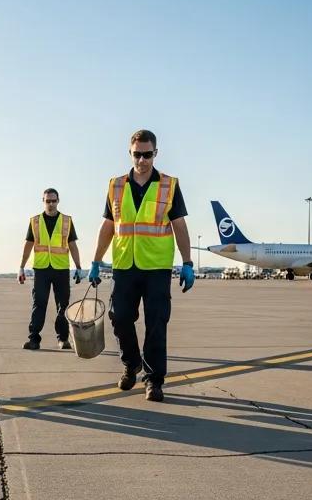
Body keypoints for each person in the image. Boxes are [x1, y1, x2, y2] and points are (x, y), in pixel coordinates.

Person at [88, 129, 193, 402]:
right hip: (124, 264)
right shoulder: (116, 185)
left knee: (156, 324)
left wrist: (188, 262)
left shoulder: (169, 185)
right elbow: (109, 225)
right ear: (130, 153)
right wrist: (96, 261)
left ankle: (153, 379)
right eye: (138, 154)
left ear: (155, 153)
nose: (143, 160)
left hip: (157, 266)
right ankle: (131, 362)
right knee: (119, 317)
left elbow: (179, 225)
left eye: (148, 154)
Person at [18, 189, 83, 350]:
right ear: (43, 201)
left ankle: (63, 339)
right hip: (41, 269)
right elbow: (28, 246)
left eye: (54, 201)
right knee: (39, 303)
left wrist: (79, 267)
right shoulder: (35, 221)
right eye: (48, 201)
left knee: (63, 305)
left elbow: (72, 245)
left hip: (61, 269)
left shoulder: (66, 221)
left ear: (58, 201)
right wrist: (21, 267)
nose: (51, 204)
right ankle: (34, 339)